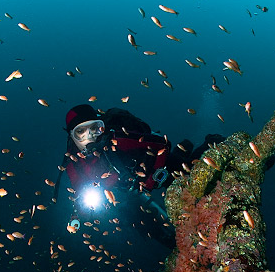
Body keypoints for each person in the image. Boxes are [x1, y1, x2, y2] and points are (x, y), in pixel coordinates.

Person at [58, 103, 222, 249]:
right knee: (147, 227)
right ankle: (182, 247)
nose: (90, 136)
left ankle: (209, 143)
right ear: (71, 136)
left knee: (190, 175)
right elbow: (80, 194)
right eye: (80, 132)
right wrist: (80, 213)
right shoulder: (73, 164)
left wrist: (150, 180)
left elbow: (161, 144)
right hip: (126, 192)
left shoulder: (117, 138)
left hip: (153, 170)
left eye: (94, 128)